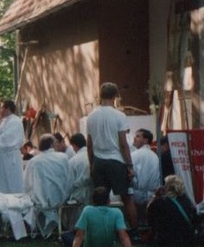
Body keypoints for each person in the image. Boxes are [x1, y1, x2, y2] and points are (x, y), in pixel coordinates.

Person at [86, 82, 137, 230]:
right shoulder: (119, 116)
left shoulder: (91, 116)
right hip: (116, 161)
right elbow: (123, 143)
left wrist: (91, 164)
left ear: (100, 96)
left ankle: (100, 229)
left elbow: (89, 144)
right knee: (127, 197)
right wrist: (129, 165)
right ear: (115, 96)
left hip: (99, 161)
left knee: (100, 199)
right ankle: (134, 231)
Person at [61, 187, 144, 247]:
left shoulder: (87, 210)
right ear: (108, 201)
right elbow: (123, 236)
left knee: (66, 235)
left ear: (93, 201)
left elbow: (79, 236)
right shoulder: (117, 212)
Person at [23, 134, 71, 238]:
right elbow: (68, 178)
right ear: (52, 145)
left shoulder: (34, 161)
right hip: (61, 197)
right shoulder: (63, 158)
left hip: (41, 199)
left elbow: (26, 184)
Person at [147, 175, 199, 247]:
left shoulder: (159, 203)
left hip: (166, 242)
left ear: (167, 187)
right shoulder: (187, 202)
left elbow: (149, 217)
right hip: (187, 242)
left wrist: (155, 195)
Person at [0, 99, 24, 194]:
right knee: (1, 181)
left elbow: (8, 138)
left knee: (12, 181)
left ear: (7, 109)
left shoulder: (15, 121)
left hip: (11, 156)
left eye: (1, 108)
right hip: (1, 156)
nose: (0, 110)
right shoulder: (2, 121)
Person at [131, 128, 161, 208]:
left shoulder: (134, 155)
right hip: (152, 196)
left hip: (136, 196)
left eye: (137, 136)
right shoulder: (155, 156)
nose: (134, 138)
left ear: (145, 140)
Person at [67, 133, 91, 204]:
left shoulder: (73, 161)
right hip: (94, 192)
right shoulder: (93, 155)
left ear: (74, 145)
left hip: (79, 195)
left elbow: (70, 183)